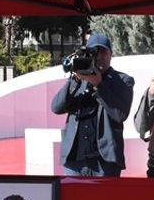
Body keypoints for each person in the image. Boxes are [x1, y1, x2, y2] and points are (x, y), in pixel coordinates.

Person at [51, 33, 135, 177]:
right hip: (74, 160)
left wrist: (99, 85)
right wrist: (74, 81)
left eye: (103, 52)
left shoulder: (123, 81)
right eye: (94, 52)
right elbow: (56, 107)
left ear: (111, 55)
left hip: (104, 162)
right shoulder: (79, 78)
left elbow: (120, 114)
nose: (100, 56)